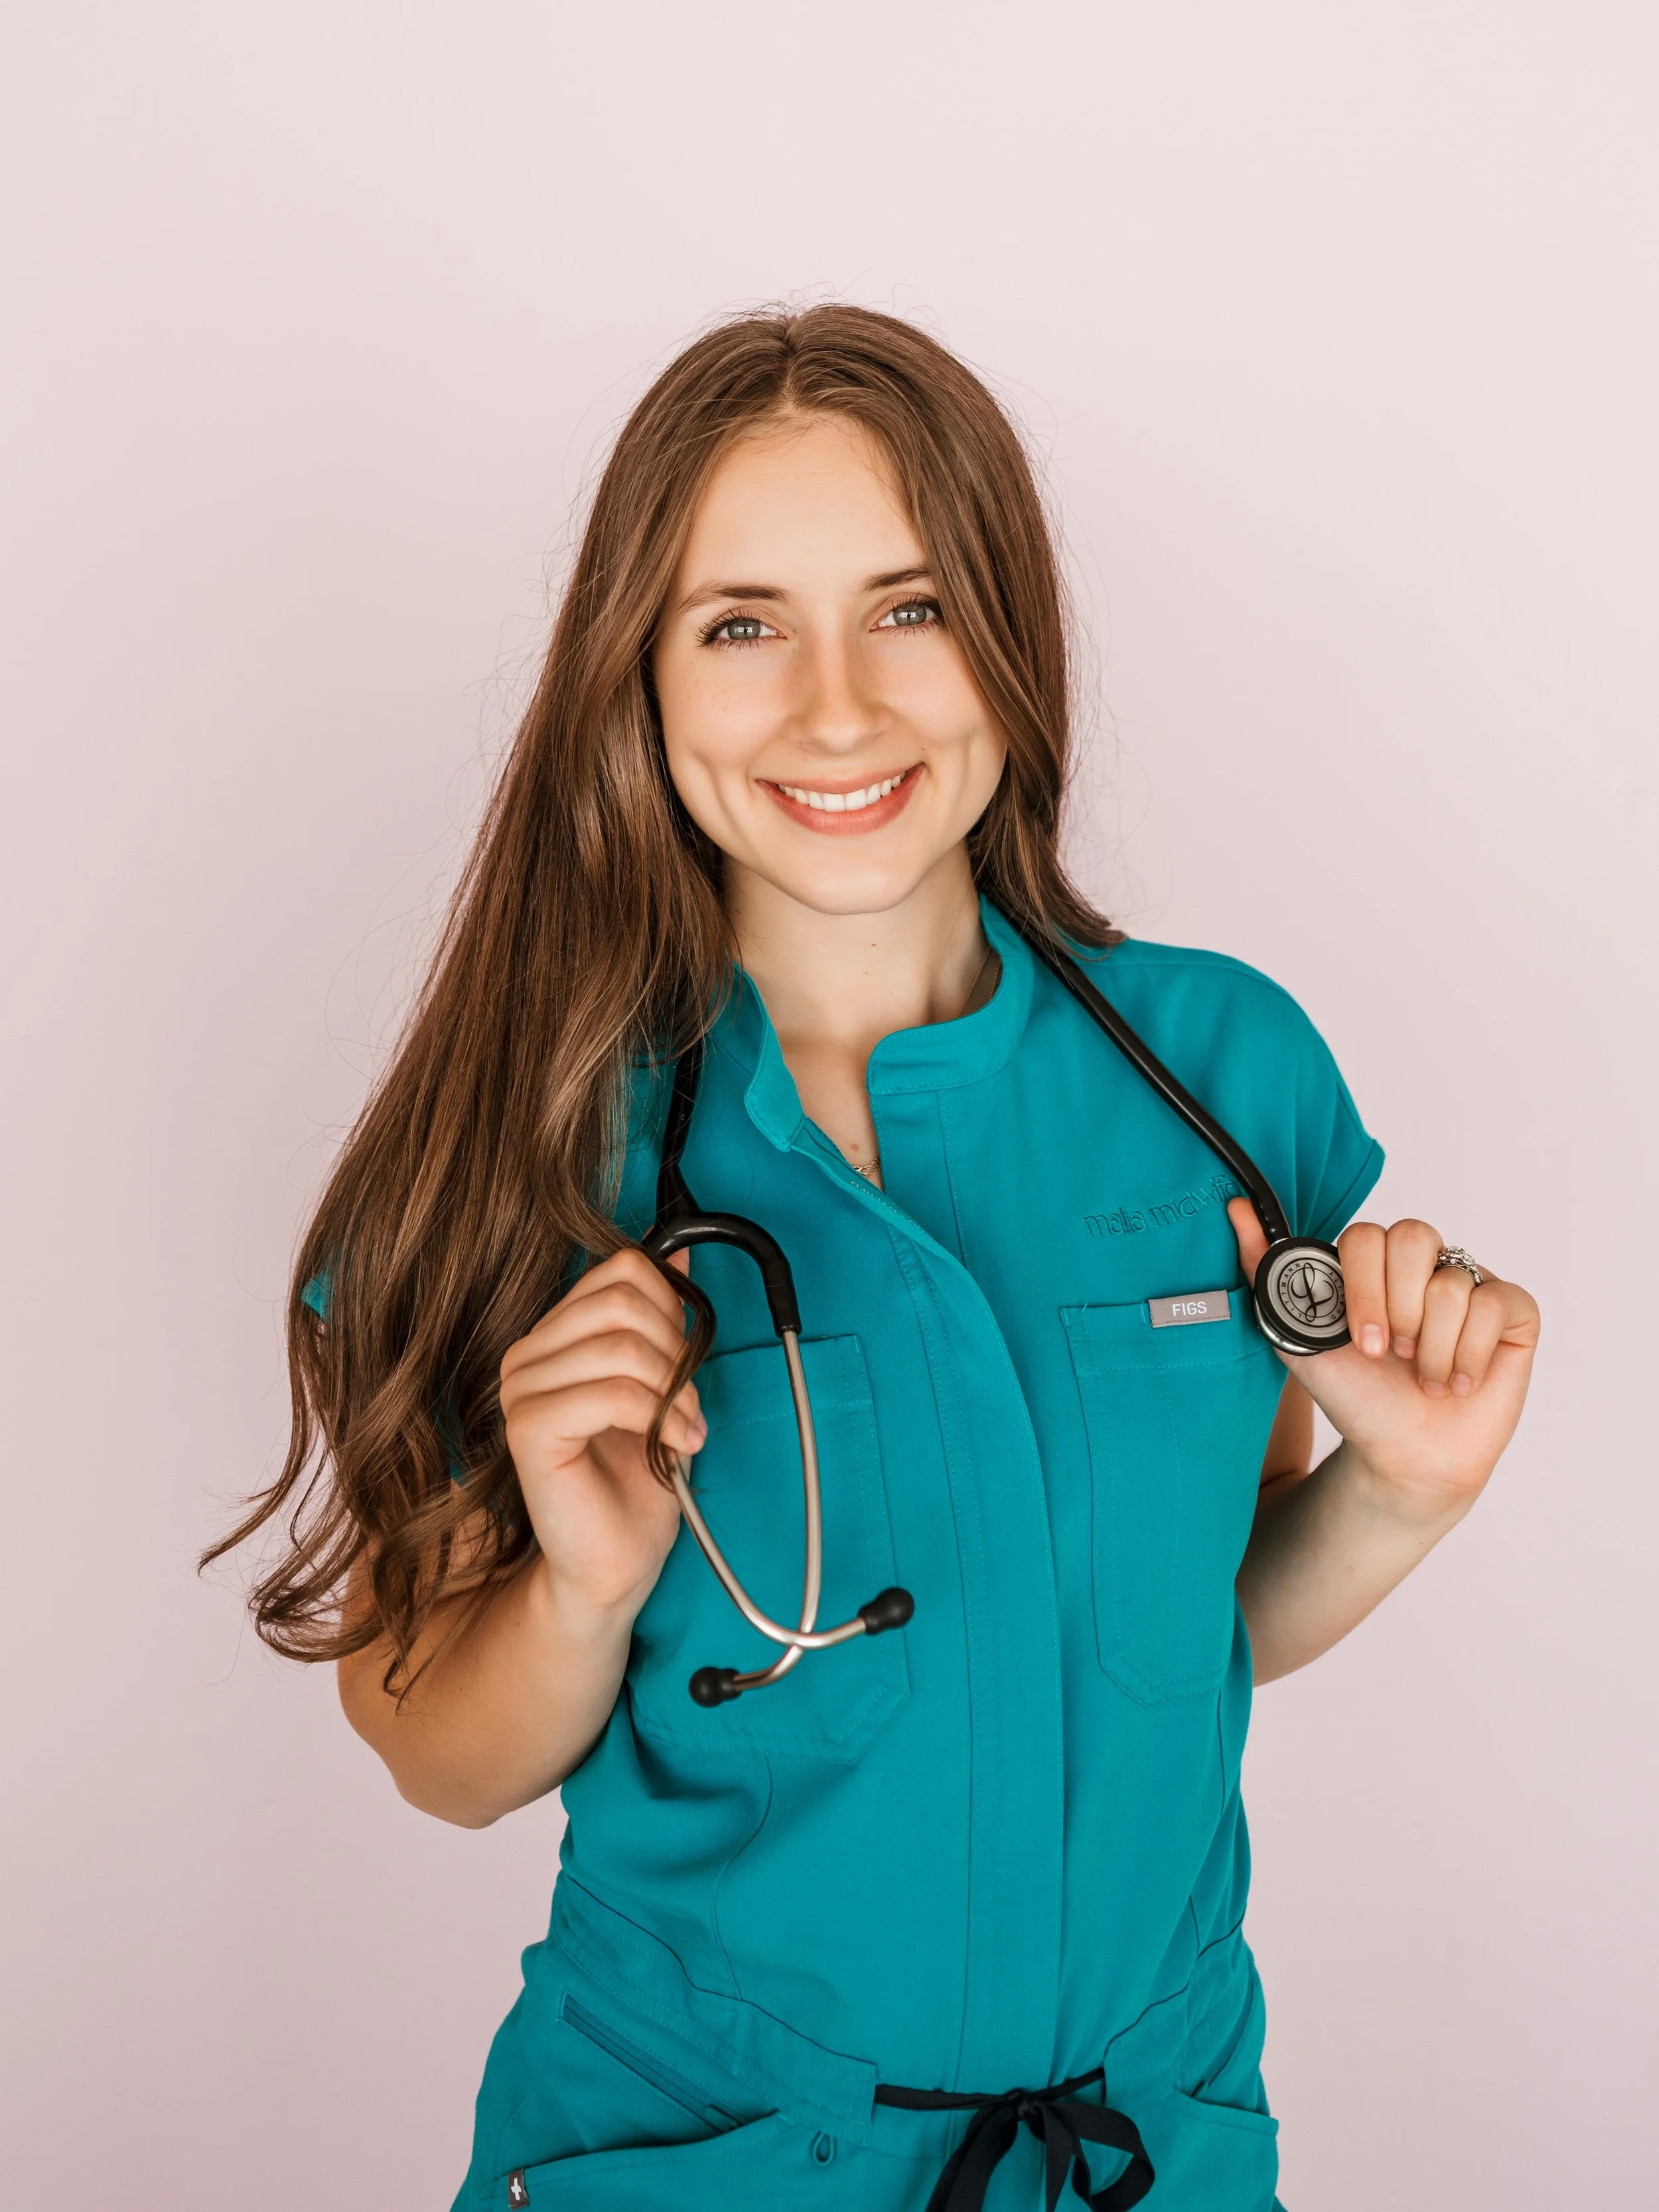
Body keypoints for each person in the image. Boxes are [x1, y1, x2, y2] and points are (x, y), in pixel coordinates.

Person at [208, 306, 1539, 2211]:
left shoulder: (1226, 1085)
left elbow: (1177, 1633)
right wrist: (582, 1591)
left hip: (1147, 2145)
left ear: (1009, 645)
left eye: (908, 609)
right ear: (638, 678)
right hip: (704, 2150)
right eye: (740, 623)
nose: (837, 708)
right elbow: (441, 1751)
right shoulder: (525, 1149)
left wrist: (1403, 1496)